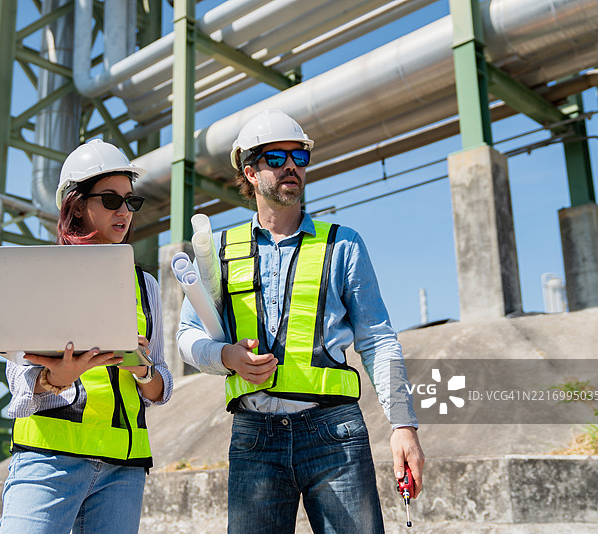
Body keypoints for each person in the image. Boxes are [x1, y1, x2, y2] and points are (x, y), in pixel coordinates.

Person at [177, 109, 424, 534]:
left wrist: (403, 425)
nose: (291, 166)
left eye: (300, 157)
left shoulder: (343, 244)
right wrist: (226, 357)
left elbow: (378, 340)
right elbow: (187, 337)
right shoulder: (218, 250)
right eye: (276, 158)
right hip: (254, 436)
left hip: (335, 434)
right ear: (250, 171)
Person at [0, 139, 173, 534]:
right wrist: (55, 379)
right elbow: (17, 377)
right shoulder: (40, 276)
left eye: (130, 201)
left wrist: (142, 368)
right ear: (76, 205)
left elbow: (161, 387)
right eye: (111, 200)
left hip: (123, 470)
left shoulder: (145, 285)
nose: (124, 211)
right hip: (48, 460)